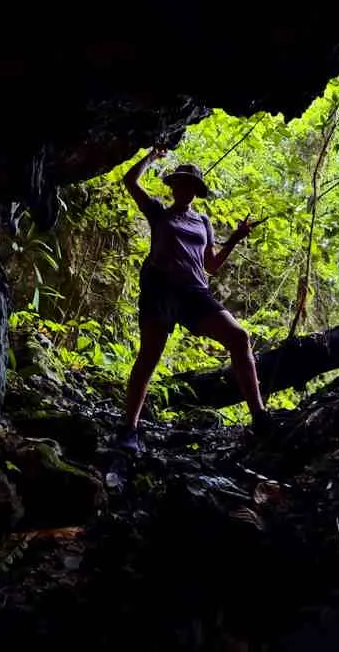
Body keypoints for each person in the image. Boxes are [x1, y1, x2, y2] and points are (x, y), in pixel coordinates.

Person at [114, 146, 269, 452]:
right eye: (181, 183)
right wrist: (151, 157)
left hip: (195, 292)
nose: (186, 189)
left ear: (197, 191)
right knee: (149, 357)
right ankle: (128, 429)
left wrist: (235, 239)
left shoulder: (203, 222)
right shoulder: (157, 212)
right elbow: (130, 181)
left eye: (192, 185)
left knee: (239, 338)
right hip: (160, 288)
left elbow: (210, 266)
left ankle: (260, 417)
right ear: (173, 187)